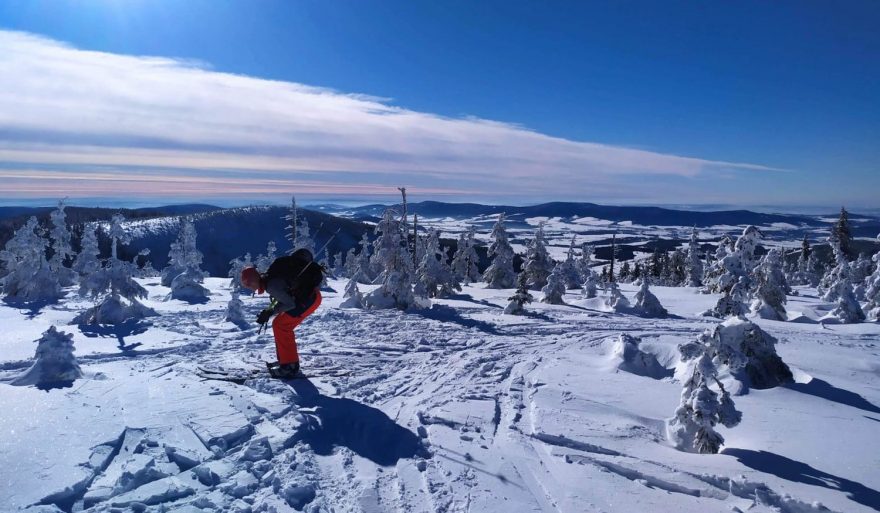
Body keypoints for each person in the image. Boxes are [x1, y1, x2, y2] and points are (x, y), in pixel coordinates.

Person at [240, 248, 323, 378]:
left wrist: (270, 312)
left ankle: (289, 366)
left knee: (281, 326)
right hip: (309, 298)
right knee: (279, 324)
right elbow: (282, 297)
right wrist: (269, 312)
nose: (251, 289)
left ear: (253, 281)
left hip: (308, 300)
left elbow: (289, 304)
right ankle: (286, 360)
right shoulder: (270, 280)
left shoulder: (271, 285)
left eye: (249, 286)